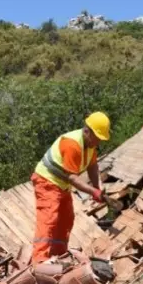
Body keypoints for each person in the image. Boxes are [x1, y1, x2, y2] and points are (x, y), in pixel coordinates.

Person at [31, 112, 111, 263]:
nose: (99, 142)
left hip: (61, 184)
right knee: (49, 218)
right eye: (97, 138)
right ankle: (39, 261)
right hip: (46, 181)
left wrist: (99, 186)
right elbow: (72, 178)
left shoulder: (90, 145)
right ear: (87, 131)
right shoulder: (72, 144)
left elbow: (92, 166)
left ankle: (58, 253)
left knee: (67, 218)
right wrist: (93, 192)